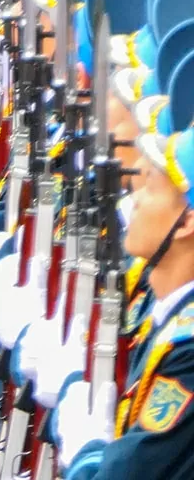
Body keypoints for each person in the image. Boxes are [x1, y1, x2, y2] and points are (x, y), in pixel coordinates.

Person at [53, 127, 194, 478]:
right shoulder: (170, 313)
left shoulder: (188, 348)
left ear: (187, 221)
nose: (135, 198)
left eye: (150, 186)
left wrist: (83, 447)